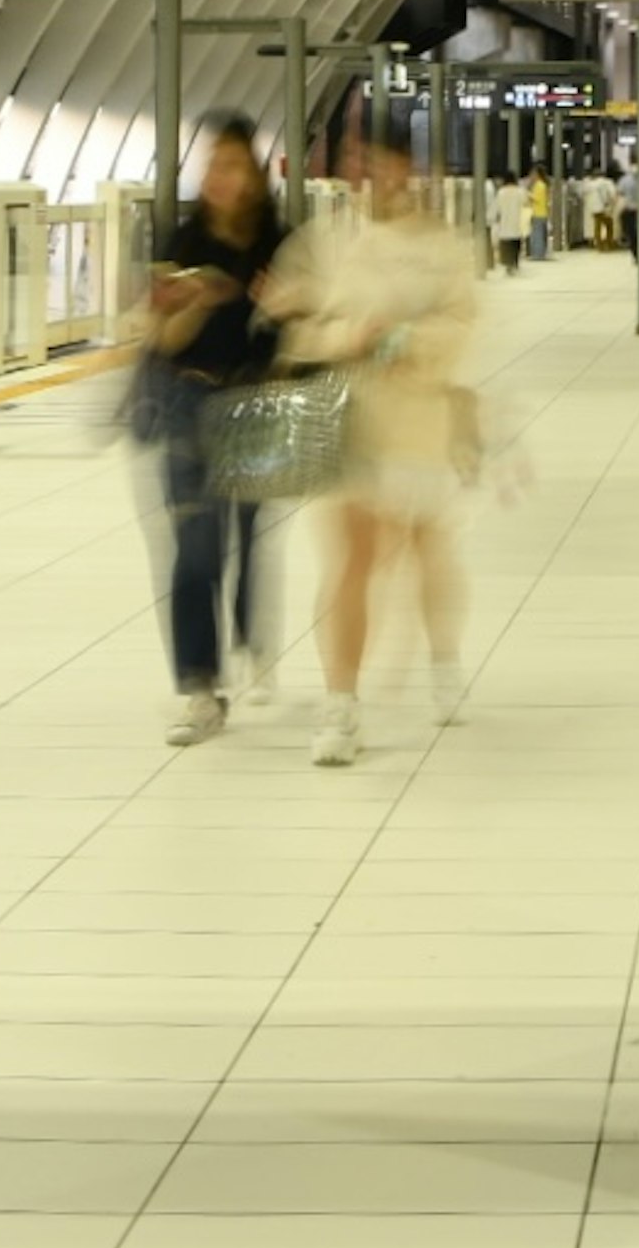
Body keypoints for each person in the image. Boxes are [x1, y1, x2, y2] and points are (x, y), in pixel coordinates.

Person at [266, 127, 482, 767]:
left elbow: (461, 326)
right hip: (346, 422)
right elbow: (294, 325)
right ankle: (341, 702)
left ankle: (444, 658)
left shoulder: (443, 247)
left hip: (417, 425)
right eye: (361, 166)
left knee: (424, 545)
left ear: (408, 170)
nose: (373, 178)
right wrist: (344, 337)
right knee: (351, 558)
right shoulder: (326, 240)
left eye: (385, 165)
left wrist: (397, 340)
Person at [144, 114, 285, 748]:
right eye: (211, 165)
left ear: (253, 173)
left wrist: (286, 304)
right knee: (195, 547)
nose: (218, 177)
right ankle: (200, 687)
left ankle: (251, 634)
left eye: (230, 165)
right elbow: (161, 339)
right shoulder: (183, 237)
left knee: (248, 535)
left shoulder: (276, 241)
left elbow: (295, 336)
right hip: (187, 402)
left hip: (253, 405)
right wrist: (190, 302)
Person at [488, 168, 528, 276]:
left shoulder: (501, 192)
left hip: (505, 223)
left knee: (506, 245)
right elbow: (526, 203)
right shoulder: (520, 191)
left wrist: (490, 218)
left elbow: (495, 208)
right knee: (515, 245)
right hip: (517, 223)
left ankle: (508, 265)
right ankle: (514, 264)